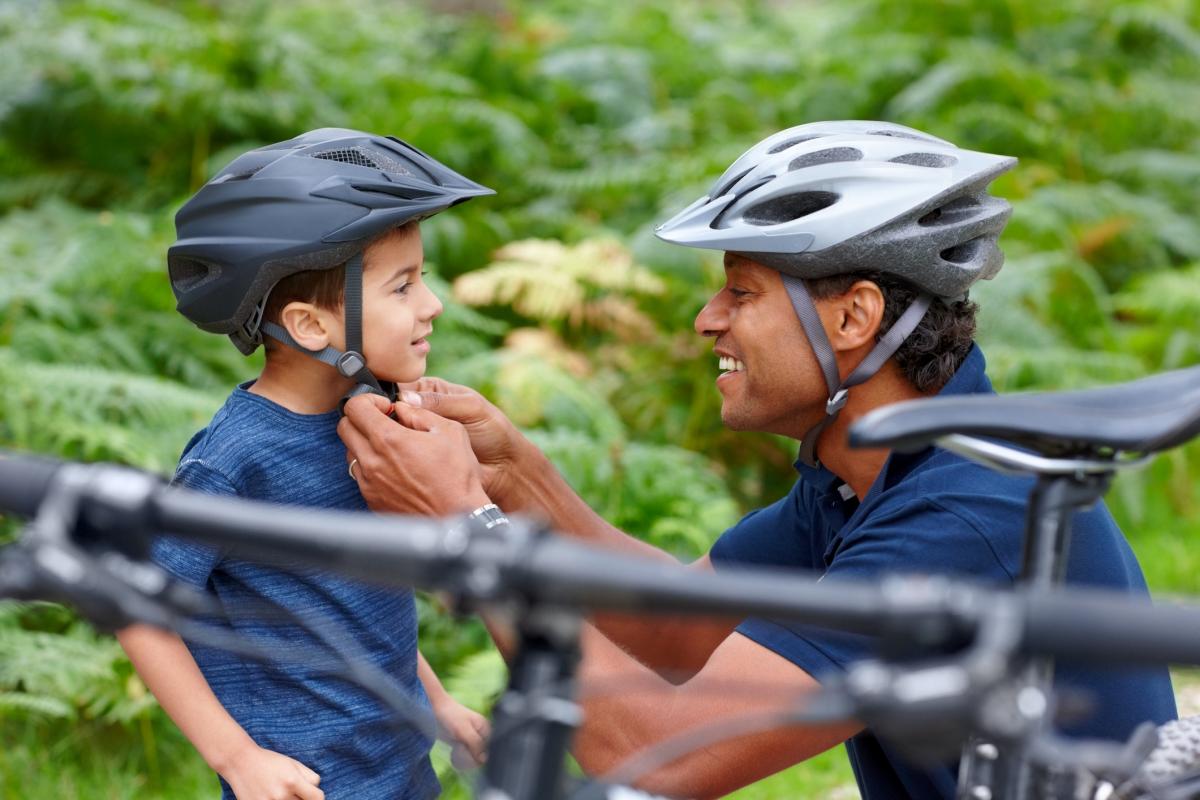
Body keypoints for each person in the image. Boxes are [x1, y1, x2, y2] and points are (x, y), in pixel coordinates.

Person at [336, 121, 1177, 799]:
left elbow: (663, 759)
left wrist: (468, 529)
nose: (707, 319)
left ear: (855, 318)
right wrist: (513, 477)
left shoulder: (961, 512)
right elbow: (675, 631)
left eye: (741, 292)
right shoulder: (873, 476)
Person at [117, 128, 493, 800]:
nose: (432, 305)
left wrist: (437, 705)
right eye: (404, 287)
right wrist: (238, 759)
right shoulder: (234, 461)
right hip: (311, 786)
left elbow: (362, 608)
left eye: (423, 280)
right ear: (312, 326)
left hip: (404, 771)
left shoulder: (373, 426)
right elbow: (137, 611)